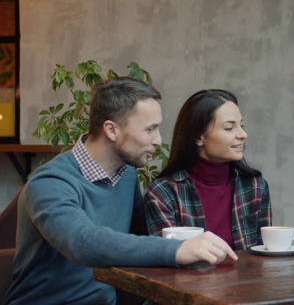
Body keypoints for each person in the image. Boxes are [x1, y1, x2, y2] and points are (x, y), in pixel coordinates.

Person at [6, 77, 237, 305]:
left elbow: (138, 239)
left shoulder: (126, 176)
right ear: (111, 130)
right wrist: (176, 250)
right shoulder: (50, 181)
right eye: (150, 129)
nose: (158, 140)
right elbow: (82, 242)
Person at [145, 89, 272, 250]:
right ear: (199, 137)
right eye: (229, 128)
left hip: (248, 276)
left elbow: (265, 255)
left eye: (242, 125)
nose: (243, 134)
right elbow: (166, 257)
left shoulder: (255, 186)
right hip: (187, 276)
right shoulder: (163, 193)